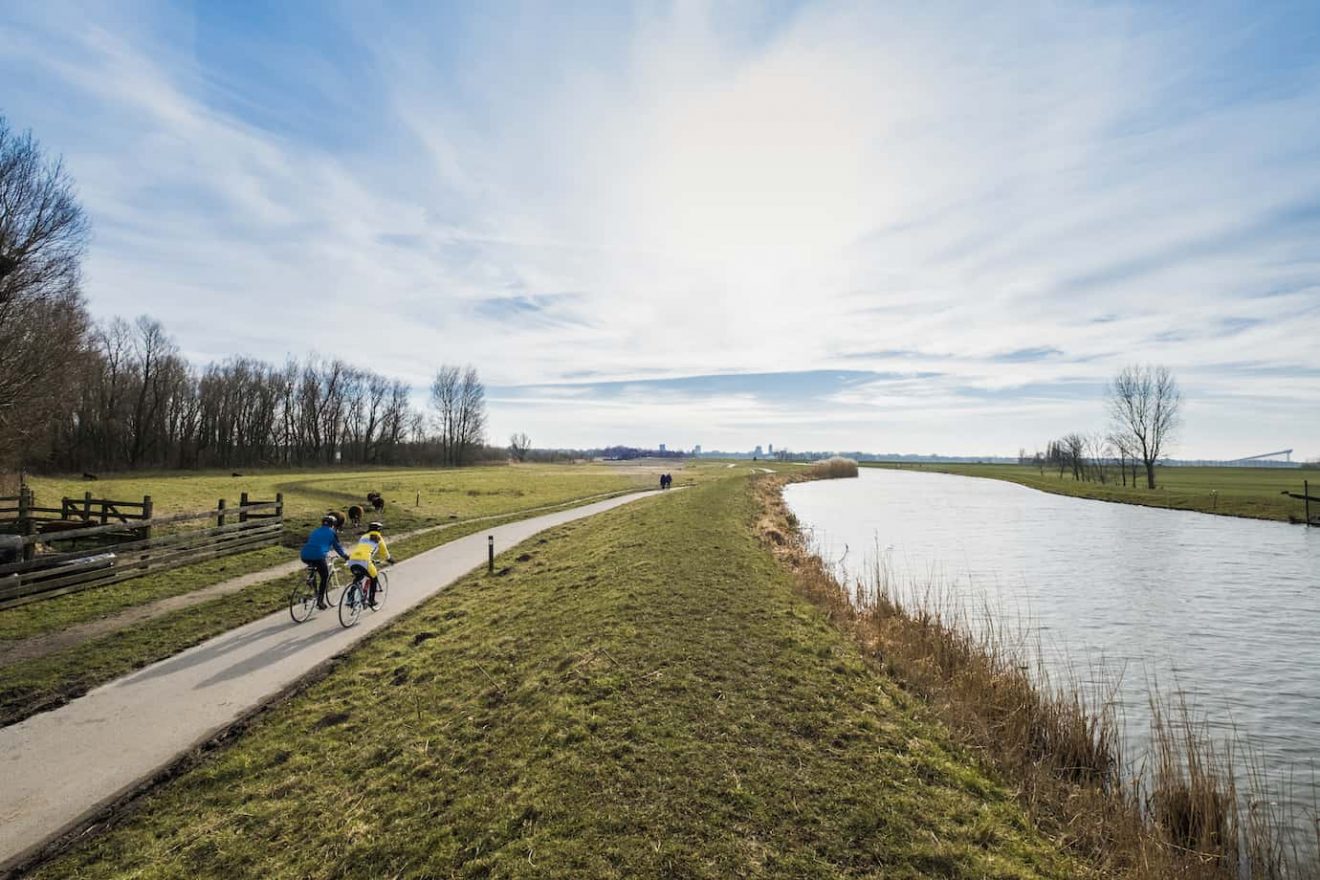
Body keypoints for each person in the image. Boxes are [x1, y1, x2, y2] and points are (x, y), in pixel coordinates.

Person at [300, 515, 349, 609]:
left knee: (313, 569)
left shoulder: (315, 531)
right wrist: (345, 556)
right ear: (333, 525)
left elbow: (315, 542)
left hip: (304, 555)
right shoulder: (332, 532)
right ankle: (320, 601)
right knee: (324, 576)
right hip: (318, 555)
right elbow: (337, 546)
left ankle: (313, 587)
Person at [347, 521, 394, 608]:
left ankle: (350, 597)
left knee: (358, 577)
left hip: (352, 560)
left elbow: (363, 549)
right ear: (379, 530)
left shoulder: (363, 537)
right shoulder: (378, 538)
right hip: (365, 561)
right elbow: (384, 553)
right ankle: (371, 601)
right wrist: (390, 560)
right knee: (374, 577)